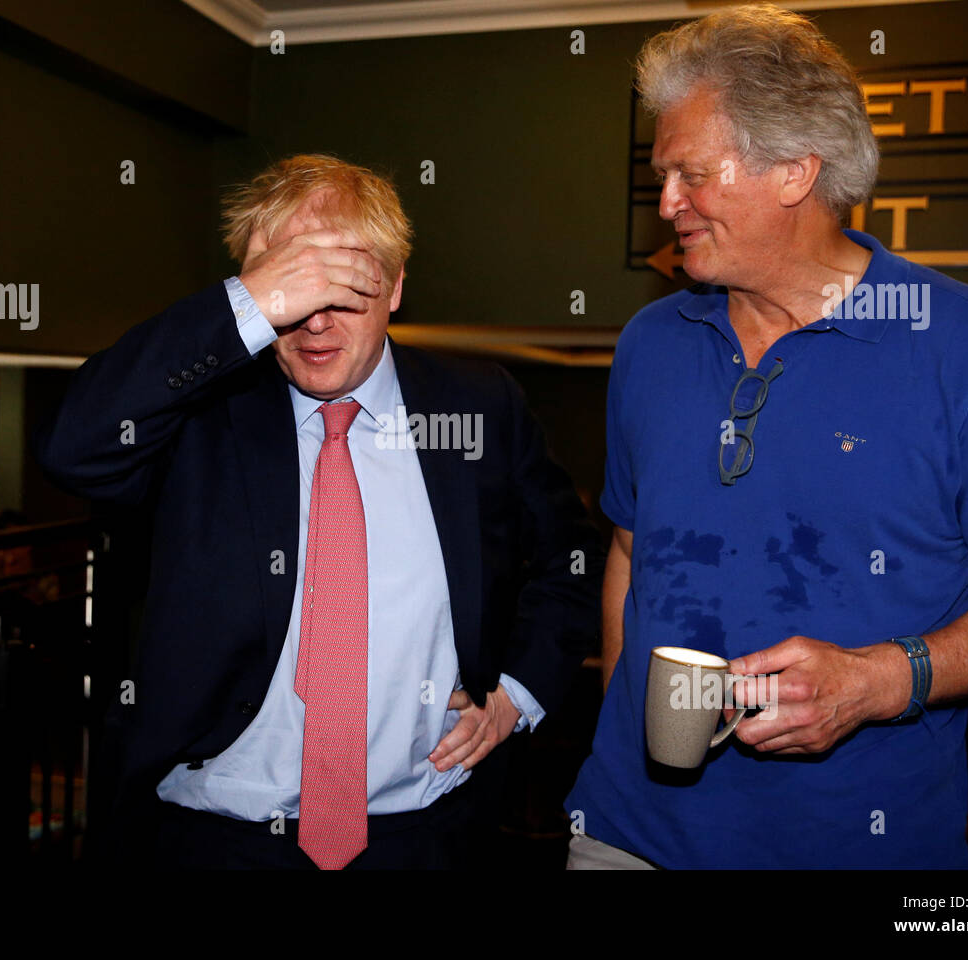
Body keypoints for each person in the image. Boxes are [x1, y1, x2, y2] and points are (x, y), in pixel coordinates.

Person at [565, 4, 968, 869]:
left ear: (795, 173)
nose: (666, 203)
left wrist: (883, 681)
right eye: (662, 176)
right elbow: (626, 549)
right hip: (624, 839)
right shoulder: (650, 342)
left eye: (691, 174)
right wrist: (627, 720)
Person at [35, 154, 603, 869]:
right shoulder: (202, 412)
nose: (313, 322)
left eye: (343, 288)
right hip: (213, 840)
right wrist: (243, 307)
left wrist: (515, 696)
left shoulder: (478, 404)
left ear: (395, 286)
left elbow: (571, 562)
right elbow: (72, 448)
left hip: (423, 837)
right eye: (289, 291)